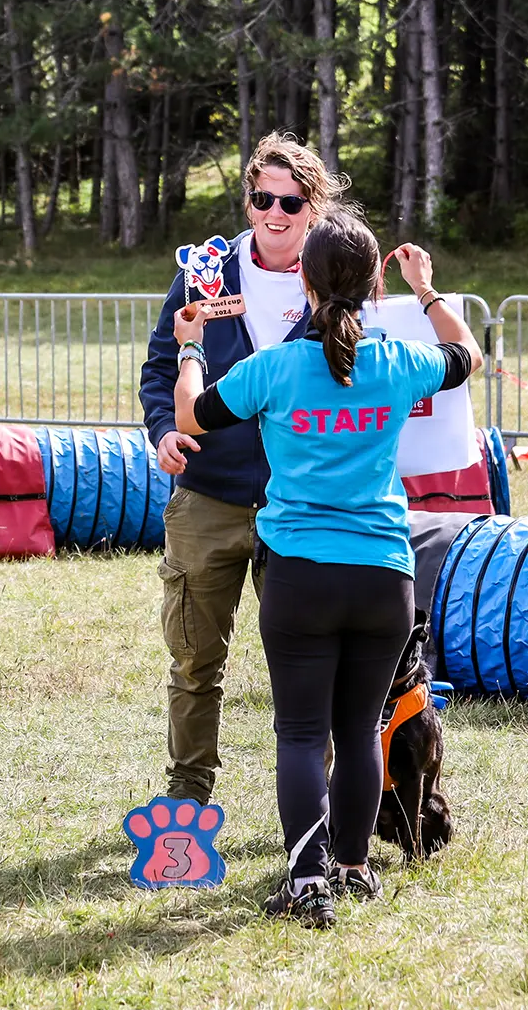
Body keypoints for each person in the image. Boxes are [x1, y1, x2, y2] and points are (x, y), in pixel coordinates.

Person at [169, 211, 484, 927]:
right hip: (383, 576)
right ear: (376, 284)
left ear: (304, 282)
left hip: (301, 575)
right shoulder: (400, 360)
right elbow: (466, 355)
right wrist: (428, 290)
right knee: (360, 726)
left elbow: (190, 417)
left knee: (303, 735)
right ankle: (354, 867)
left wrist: (190, 346)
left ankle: (307, 880)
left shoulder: (275, 369)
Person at [138, 134, 343, 806]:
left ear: (313, 206)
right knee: (196, 659)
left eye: (290, 200)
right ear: (248, 198)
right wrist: (164, 430)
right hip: (208, 497)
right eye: (263, 198)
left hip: (302, 504)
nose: (275, 213)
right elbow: (160, 367)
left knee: (313, 665)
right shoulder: (204, 270)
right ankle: (187, 797)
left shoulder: (335, 273)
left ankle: (324, 796)